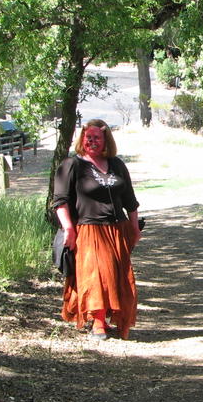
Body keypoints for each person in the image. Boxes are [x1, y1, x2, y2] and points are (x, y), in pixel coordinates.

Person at [52, 119, 142, 340]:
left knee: (116, 276)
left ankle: (108, 318)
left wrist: (134, 226)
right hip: (88, 229)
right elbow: (60, 202)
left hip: (117, 229)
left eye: (97, 138)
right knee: (96, 276)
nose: (92, 142)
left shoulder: (117, 164)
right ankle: (98, 322)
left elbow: (130, 200)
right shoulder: (71, 165)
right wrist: (68, 229)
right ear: (82, 139)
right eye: (88, 137)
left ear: (106, 140)